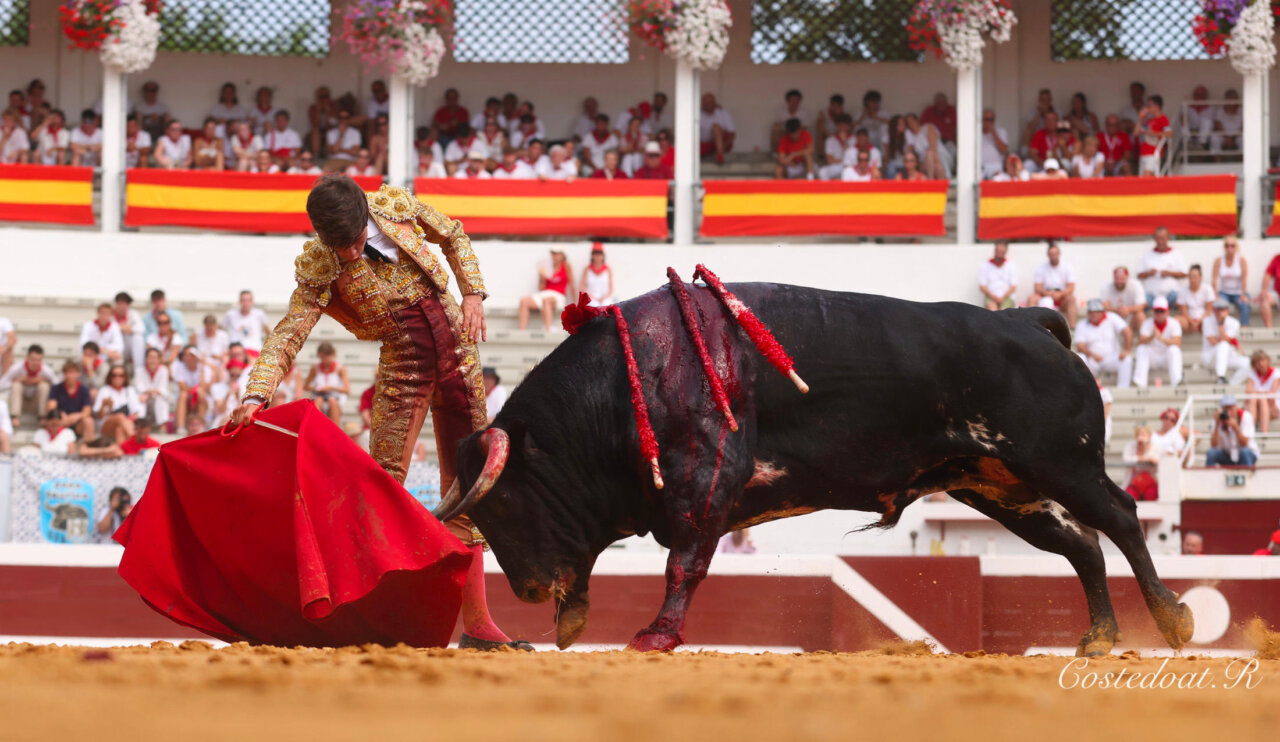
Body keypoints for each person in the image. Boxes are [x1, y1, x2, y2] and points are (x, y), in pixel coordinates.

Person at [227, 175, 524, 650]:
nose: (347, 254)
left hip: (460, 359)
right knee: (380, 485)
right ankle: (371, 615)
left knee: (471, 487)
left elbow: (453, 233)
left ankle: (477, 623)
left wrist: (473, 293)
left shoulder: (396, 207)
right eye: (337, 245)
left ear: (367, 216)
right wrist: (255, 395)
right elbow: (289, 333)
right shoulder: (319, 266)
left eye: (353, 242)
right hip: (403, 366)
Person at [1075, 299, 1133, 387]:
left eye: (1096, 311)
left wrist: (1126, 350)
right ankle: (1085, 388)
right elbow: (1080, 346)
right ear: (1088, 313)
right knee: (1080, 357)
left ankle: (1123, 389)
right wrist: (1092, 355)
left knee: (1126, 358)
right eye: (1091, 312)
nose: (1093, 314)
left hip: (1111, 358)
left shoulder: (1112, 317)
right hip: (1092, 360)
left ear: (1102, 312)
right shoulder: (1082, 324)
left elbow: (1127, 332)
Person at [1, 344, 56, 429]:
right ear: (27, 358)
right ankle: (15, 416)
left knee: (44, 386)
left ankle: (43, 416)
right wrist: (16, 380)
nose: (36, 363)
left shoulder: (46, 371)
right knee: (16, 385)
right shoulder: (17, 368)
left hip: (36, 403)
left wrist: (42, 381)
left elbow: (58, 387)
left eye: (39, 360)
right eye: (33, 359)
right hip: (20, 403)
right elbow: (1, 385)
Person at [519, 248, 574, 332]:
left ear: (562, 255)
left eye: (556, 253)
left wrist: (575, 303)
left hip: (558, 295)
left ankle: (547, 329)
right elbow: (541, 288)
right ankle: (522, 331)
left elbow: (572, 283)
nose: (554, 256)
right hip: (545, 293)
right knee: (524, 301)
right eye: (553, 253)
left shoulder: (566, 266)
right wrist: (541, 278)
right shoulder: (546, 267)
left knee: (546, 301)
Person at [1132, 297, 1183, 388]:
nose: (1159, 314)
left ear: (1167, 312)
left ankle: (1177, 382)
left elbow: (1178, 342)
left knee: (1174, 350)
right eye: (1157, 311)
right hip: (1153, 359)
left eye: (1161, 311)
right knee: (1142, 349)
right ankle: (1140, 382)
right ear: (1153, 312)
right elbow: (1140, 341)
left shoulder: (1174, 323)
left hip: (1166, 358)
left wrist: (1161, 338)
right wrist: (1152, 336)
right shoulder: (1147, 323)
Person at [1202, 297, 1249, 385]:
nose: (1220, 312)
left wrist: (1221, 323)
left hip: (1226, 357)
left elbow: (1223, 339)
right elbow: (1214, 342)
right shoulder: (1207, 321)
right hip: (1210, 357)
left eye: (1222, 310)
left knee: (1247, 362)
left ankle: (1231, 385)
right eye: (1218, 310)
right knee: (1223, 345)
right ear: (1214, 310)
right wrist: (1221, 324)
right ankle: (1220, 376)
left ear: (1227, 310)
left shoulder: (1234, 322)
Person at [1137, 227, 1186, 309]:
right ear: (1154, 239)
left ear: (1168, 238)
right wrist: (1149, 273)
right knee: (1141, 299)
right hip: (1151, 296)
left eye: (1162, 238)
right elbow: (1139, 275)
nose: (1160, 241)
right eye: (1158, 238)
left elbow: (1184, 274)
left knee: (1180, 297)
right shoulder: (1147, 255)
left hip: (1171, 296)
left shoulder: (1176, 254)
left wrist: (1169, 273)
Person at [1031, 243, 1078, 326]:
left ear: (1059, 254)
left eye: (1055, 254)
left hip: (1061, 297)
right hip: (1045, 295)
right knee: (1032, 298)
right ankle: (1031, 327)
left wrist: (1060, 294)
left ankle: (1073, 328)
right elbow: (1037, 287)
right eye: (1051, 254)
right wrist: (1046, 293)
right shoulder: (1041, 268)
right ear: (1048, 255)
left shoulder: (1067, 267)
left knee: (1072, 299)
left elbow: (1071, 287)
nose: (1053, 256)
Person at [95, 364, 143, 444]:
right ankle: (137, 442)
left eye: (121, 375)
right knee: (120, 417)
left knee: (119, 429)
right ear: (110, 377)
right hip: (106, 425)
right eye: (114, 375)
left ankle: (126, 452)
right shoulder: (104, 390)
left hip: (125, 423)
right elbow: (98, 415)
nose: (117, 378)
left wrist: (129, 419)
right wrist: (104, 406)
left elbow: (137, 411)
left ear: (125, 377)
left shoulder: (129, 391)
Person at [1206, 394, 1258, 467]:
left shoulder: (1245, 416)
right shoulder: (1218, 419)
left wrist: (1236, 428)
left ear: (1236, 407)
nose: (1228, 412)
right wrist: (1217, 425)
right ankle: (1209, 477)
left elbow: (1245, 444)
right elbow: (1213, 445)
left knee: (1244, 452)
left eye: (1231, 409)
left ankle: (1246, 477)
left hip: (1246, 454)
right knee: (1211, 453)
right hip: (1228, 455)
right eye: (1226, 409)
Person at [172, 345, 214, 433]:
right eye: (187, 355)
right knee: (185, 394)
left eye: (192, 356)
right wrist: (195, 389)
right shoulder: (180, 367)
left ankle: (201, 425)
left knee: (200, 393)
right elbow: (182, 387)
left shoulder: (204, 368)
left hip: (200, 399)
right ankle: (181, 427)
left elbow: (204, 387)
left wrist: (202, 368)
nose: (189, 358)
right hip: (188, 398)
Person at [49, 359, 94, 440]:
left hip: (77, 423)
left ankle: (87, 448)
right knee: (53, 419)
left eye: (72, 372)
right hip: (61, 420)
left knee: (88, 421)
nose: (69, 376)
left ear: (78, 373)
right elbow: (51, 407)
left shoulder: (84, 390)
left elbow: (87, 411)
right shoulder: (56, 389)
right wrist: (61, 415)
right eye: (67, 373)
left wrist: (76, 416)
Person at [305, 341, 349, 425]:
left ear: (332, 354)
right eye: (321, 357)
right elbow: (306, 386)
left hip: (334, 397)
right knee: (318, 401)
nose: (323, 360)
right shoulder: (315, 368)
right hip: (319, 395)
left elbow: (347, 389)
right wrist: (317, 388)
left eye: (325, 357)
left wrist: (331, 388)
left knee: (332, 402)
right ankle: (316, 428)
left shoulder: (340, 369)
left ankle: (334, 430)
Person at [1212, 235, 1249, 326]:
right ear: (1224, 247)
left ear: (1236, 247)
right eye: (1227, 245)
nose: (1229, 248)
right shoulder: (1219, 260)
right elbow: (1214, 279)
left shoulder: (1241, 260)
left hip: (1238, 292)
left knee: (1245, 305)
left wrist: (1243, 294)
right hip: (1224, 292)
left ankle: (1244, 329)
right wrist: (1215, 295)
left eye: (1232, 245)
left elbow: (1244, 278)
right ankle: (1222, 328)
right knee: (1219, 305)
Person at [134, 347, 172, 428]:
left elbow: (162, 389)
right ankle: (140, 426)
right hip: (145, 399)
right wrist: (151, 393)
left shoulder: (164, 370)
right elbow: (139, 388)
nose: (153, 360)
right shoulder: (139, 370)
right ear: (146, 359)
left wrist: (149, 393)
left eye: (155, 358)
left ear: (159, 360)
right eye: (150, 357)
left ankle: (162, 427)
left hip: (155, 398)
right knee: (140, 399)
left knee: (161, 399)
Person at [1100, 267, 1146, 332]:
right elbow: (1104, 306)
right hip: (1114, 318)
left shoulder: (1136, 285)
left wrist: (1128, 309)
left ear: (1127, 277)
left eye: (1122, 279)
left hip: (1131, 317)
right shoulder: (1107, 287)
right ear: (1113, 278)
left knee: (1140, 315)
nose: (1119, 281)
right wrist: (1117, 310)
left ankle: (1142, 339)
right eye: (1117, 278)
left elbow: (1141, 305)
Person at [1133, 95, 1171, 176]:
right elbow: (1136, 133)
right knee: (1143, 178)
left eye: (1149, 105)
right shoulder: (1149, 120)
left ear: (1156, 106)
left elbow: (1170, 133)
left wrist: (1154, 133)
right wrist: (1141, 118)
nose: (1147, 108)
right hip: (1144, 152)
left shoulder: (1163, 118)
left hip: (1153, 152)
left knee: (1148, 175)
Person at [1122, 426, 1160, 501]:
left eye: (1143, 434)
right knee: (1129, 497)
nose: (1140, 437)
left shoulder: (1155, 447)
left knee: (1151, 495)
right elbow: (1126, 459)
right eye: (1138, 434)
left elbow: (1156, 460)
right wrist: (1141, 458)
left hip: (1150, 483)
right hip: (1134, 483)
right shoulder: (1130, 447)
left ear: (1149, 436)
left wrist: (1145, 448)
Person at [1246, 350, 1280, 433]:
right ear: (1254, 364)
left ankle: (1261, 431)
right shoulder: (1253, 374)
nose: (1261, 364)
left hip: (1273, 407)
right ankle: (1258, 431)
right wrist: (1262, 393)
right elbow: (1248, 390)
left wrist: (1259, 393)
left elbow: (1272, 394)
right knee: (1255, 398)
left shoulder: (1276, 373)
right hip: (1257, 407)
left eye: (1263, 360)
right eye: (1258, 361)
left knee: (1261, 398)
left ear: (1268, 361)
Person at [1177, 264, 1216, 333]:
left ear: (1200, 278)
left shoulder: (1207, 289)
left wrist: (1199, 321)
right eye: (1190, 277)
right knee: (1176, 320)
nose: (1192, 280)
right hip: (1188, 320)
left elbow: (1209, 310)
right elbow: (1183, 311)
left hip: (1203, 319)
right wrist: (1191, 321)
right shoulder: (1182, 290)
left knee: (1208, 322)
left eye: (1194, 277)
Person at [979, 242, 1017, 310]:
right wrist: (993, 297)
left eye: (1002, 251)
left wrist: (1002, 298)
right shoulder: (985, 265)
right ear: (995, 250)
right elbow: (982, 286)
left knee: (1003, 312)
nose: (1000, 253)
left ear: (1005, 251)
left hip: (1007, 298)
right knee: (992, 310)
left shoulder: (1011, 265)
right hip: (990, 297)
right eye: (999, 251)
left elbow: (1013, 287)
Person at [699, 93, 735, 164]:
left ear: (714, 102)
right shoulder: (697, 114)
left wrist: (722, 147)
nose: (707, 104)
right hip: (704, 146)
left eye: (709, 101)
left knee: (716, 127)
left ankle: (720, 155)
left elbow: (732, 133)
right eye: (705, 102)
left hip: (722, 144)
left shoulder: (723, 113)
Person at [980, 109, 1009, 179]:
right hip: (980, 167)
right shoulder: (975, 132)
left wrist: (993, 132)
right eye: (987, 119)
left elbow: (1004, 150)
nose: (989, 122)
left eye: (991, 119)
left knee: (998, 180)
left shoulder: (1001, 131)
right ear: (982, 120)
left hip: (996, 167)